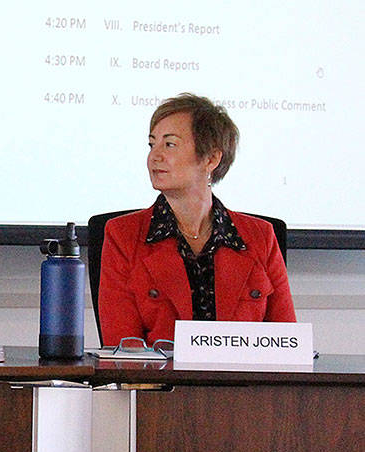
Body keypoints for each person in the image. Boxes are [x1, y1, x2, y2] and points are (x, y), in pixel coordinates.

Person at [98, 93, 294, 347]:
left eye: (169, 145)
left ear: (211, 159)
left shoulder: (260, 237)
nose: (154, 157)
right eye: (152, 145)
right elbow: (123, 348)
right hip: (160, 385)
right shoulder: (123, 235)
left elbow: (287, 346)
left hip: (244, 385)